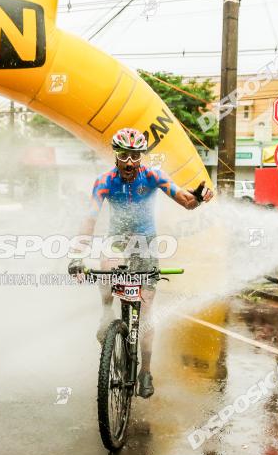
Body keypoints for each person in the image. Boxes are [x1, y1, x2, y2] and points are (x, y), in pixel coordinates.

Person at [68, 127, 213, 398]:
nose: (130, 163)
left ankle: (145, 371)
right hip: (118, 239)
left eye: (136, 156)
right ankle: (105, 313)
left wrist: (199, 196)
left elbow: (186, 201)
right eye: (125, 156)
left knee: (146, 312)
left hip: (145, 244)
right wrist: (77, 255)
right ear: (116, 157)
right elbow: (90, 218)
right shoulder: (104, 181)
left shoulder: (153, 176)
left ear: (142, 157)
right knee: (106, 264)